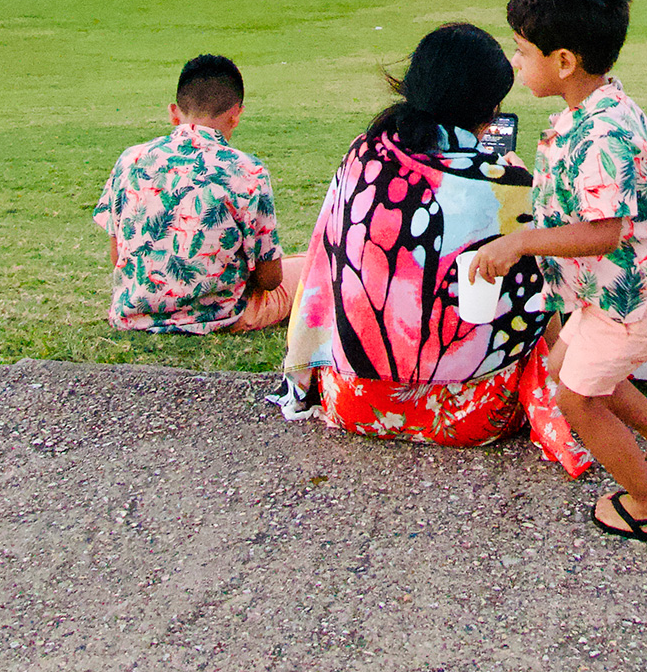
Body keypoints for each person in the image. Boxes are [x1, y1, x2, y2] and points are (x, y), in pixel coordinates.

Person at [274, 25, 587, 474]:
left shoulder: (362, 154)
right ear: (488, 109)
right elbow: (540, 298)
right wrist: (516, 185)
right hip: (474, 414)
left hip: (354, 400)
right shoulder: (509, 185)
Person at [471, 0, 647, 545]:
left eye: (522, 51)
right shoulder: (596, 108)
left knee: (577, 396)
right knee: (566, 367)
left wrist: (520, 240)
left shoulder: (602, 134)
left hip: (639, 299)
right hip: (617, 292)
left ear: (564, 61)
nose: (515, 62)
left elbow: (603, 232)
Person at [94, 54, 300, 334]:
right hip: (222, 317)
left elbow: (117, 255)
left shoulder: (130, 159)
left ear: (173, 112)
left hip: (135, 316)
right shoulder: (248, 170)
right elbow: (270, 279)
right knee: (312, 266)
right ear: (236, 114)